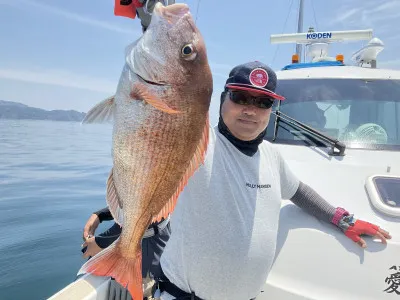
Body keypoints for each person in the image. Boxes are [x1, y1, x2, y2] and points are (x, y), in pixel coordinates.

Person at [151, 61, 392, 300]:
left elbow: (298, 191)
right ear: (224, 98)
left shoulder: (271, 154)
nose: (251, 109)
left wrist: (342, 220)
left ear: (271, 109)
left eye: (263, 102)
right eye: (241, 97)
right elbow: (166, 104)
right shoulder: (196, 143)